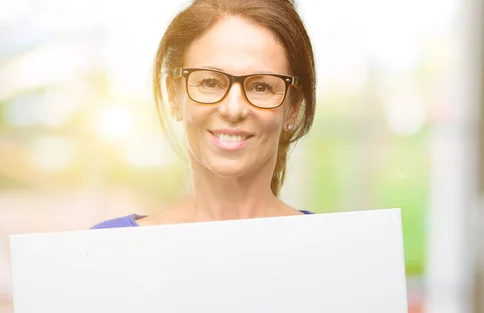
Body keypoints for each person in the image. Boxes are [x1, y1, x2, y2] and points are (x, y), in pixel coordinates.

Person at [92, 0, 316, 229]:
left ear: (294, 108)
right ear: (173, 96)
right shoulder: (103, 245)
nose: (233, 109)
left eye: (261, 87)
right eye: (210, 82)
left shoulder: (337, 246)